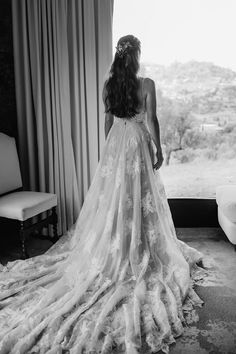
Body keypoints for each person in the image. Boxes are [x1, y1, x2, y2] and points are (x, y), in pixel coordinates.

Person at [0, 34, 205, 354]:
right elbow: (151, 120)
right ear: (136, 56)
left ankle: (118, 248)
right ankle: (138, 248)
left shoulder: (110, 85)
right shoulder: (147, 84)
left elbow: (108, 123)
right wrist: (159, 149)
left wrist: (111, 154)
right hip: (137, 143)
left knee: (117, 204)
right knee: (140, 202)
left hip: (117, 146)